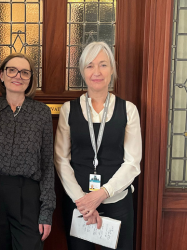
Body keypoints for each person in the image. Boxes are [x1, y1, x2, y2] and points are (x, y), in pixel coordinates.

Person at [54, 41, 141, 250]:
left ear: (112, 69)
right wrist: (83, 201)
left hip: (117, 202)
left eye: (103, 64)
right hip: (79, 204)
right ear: (83, 72)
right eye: (90, 65)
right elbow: (61, 160)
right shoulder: (69, 109)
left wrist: (101, 194)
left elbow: (132, 162)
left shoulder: (128, 110)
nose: (97, 71)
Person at [0, 53, 56, 250]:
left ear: (30, 79)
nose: (18, 76)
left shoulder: (41, 113)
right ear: (2, 75)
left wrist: (46, 211)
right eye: (12, 70)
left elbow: (47, 163)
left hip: (28, 196)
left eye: (25, 72)